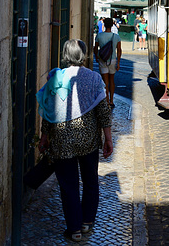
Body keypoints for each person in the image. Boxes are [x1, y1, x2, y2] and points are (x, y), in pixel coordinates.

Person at [37, 39, 113, 242]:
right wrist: (108, 139)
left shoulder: (56, 78)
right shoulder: (95, 78)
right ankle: (87, 222)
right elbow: (104, 112)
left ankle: (75, 229)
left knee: (68, 185)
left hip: (62, 141)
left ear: (65, 54)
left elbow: (48, 113)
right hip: (88, 140)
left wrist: (44, 137)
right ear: (84, 55)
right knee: (90, 181)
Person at [94, 18, 122, 108]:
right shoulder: (116, 36)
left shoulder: (99, 35)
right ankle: (111, 101)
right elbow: (119, 50)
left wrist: (96, 56)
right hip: (113, 60)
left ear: (104, 25)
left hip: (103, 60)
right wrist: (118, 62)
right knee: (111, 80)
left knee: (105, 81)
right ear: (112, 25)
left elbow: (96, 48)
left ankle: (106, 100)